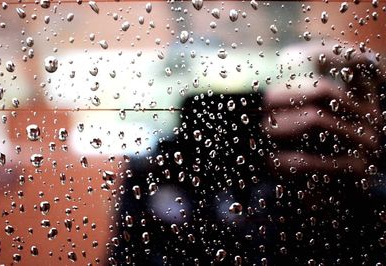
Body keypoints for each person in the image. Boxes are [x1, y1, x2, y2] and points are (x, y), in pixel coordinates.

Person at [112, 2, 386, 265]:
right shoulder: (164, 113)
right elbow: (136, 245)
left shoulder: (340, 80)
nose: (229, 10)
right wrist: (228, 132)